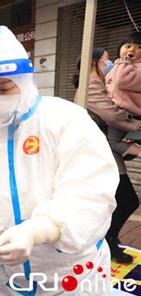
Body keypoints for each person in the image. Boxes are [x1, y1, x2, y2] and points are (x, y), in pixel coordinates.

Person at [0, 26, 118, 296]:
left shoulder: (65, 119)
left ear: (25, 80)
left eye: (5, 88)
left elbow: (91, 191)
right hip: (9, 278)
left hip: (71, 275)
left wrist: (39, 230)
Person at [74, 47, 141, 263]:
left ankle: (105, 241)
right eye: (106, 60)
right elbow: (112, 115)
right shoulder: (90, 84)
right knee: (127, 200)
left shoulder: (99, 84)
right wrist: (137, 125)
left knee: (113, 202)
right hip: (98, 157)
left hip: (104, 153)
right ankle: (107, 241)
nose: (110, 63)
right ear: (94, 62)